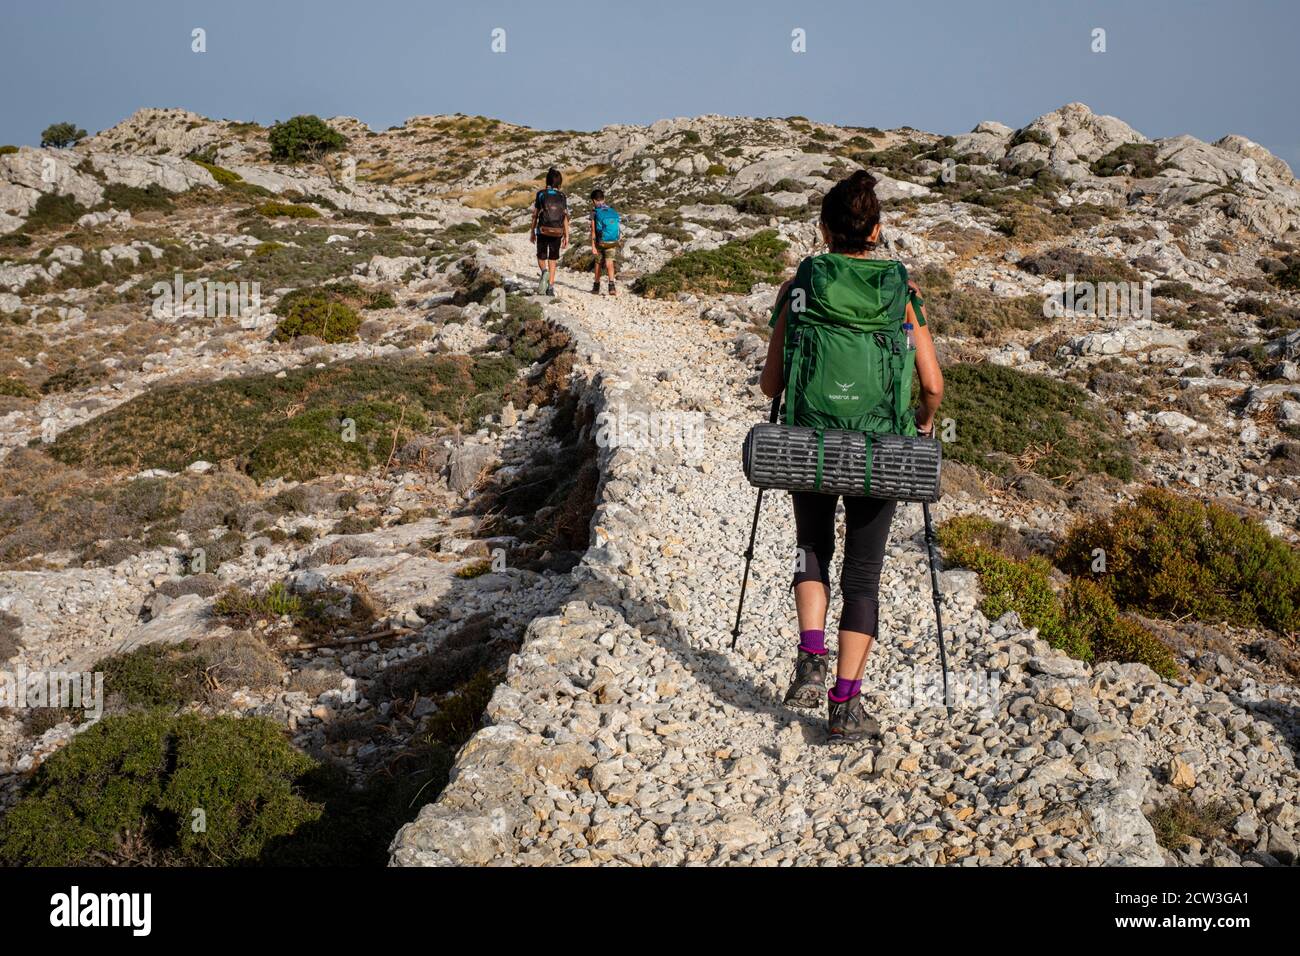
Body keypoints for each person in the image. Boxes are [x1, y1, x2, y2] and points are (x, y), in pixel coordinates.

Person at [759, 169, 944, 742]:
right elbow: (933, 384)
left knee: (810, 546)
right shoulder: (901, 292)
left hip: (810, 442)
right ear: (878, 230)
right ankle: (844, 705)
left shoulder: (803, 284)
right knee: (863, 575)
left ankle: (809, 657)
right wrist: (924, 422)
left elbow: (771, 385)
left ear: (824, 230)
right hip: (880, 449)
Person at [530, 167, 569, 296]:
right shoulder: (562, 196)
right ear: (559, 183)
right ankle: (551, 287)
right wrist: (566, 235)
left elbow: (535, 215)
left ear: (547, 181)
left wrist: (532, 231)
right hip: (557, 231)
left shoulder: (541, 194)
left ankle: (544, 272)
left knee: (541, 255)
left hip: (543, 230)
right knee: (553, 258)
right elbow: (565, 217)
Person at [588, 188, 620, 295]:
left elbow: (593, 230)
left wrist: (593, 246)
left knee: (598, 263)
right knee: (609, 263)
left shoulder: (594, 212)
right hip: (612, 241)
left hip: (600, 242)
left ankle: (596, 287)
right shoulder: (612, 210)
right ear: (604, 198)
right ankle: (611, 287)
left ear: (594, 200)